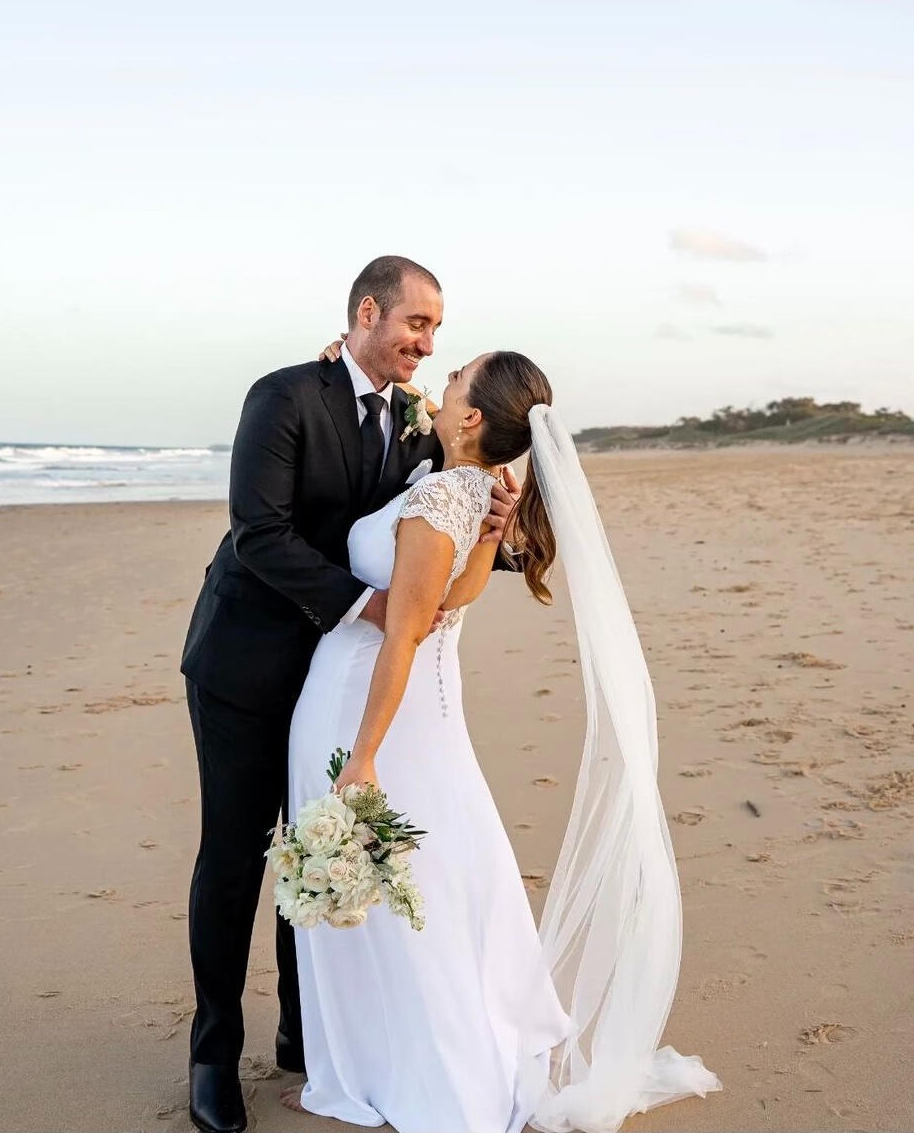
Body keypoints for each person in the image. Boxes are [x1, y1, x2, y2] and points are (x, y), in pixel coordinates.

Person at [279, 351, 722, 1133]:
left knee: (414, 890)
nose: (442, 383)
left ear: (474, 417)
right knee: (439, 881)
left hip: (372, 708)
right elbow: (458, 599)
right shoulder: (471, 492)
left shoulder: (447, 495)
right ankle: (405, 1052)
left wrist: (365, 753)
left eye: (454, 380)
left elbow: (405, 636)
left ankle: (413, 1068)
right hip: (419, 714)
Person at [179, 256, 522, 1133]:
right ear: (366, 312)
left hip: (332, 680)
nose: (426, 342)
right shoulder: (285, 395)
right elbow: (257, 531)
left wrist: (496, 522)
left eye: (438, 331)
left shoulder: (418, 428)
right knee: (237, 855)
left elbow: (425, 526)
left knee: (320, 844)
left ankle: (306, 1034)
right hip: (249, 665)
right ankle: (214, 1053)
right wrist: (372, 609)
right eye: (416, 322)